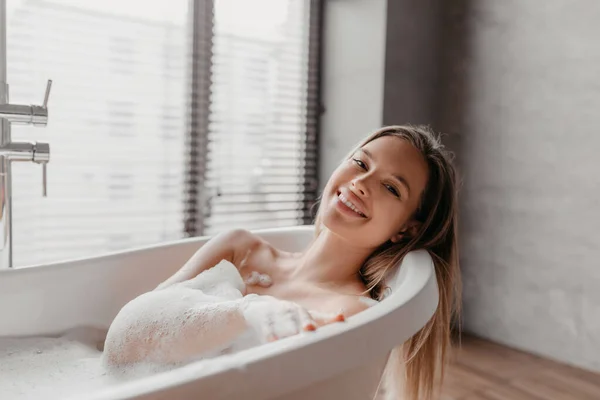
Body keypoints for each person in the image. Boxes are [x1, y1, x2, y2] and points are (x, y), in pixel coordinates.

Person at [103, 125, 461, 400]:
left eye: (391, 188)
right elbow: (121, 345)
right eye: (360, 163)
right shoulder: (237, 249)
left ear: (406, 229)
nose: (361, 183)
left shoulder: (349, 311)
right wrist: (247, 314)